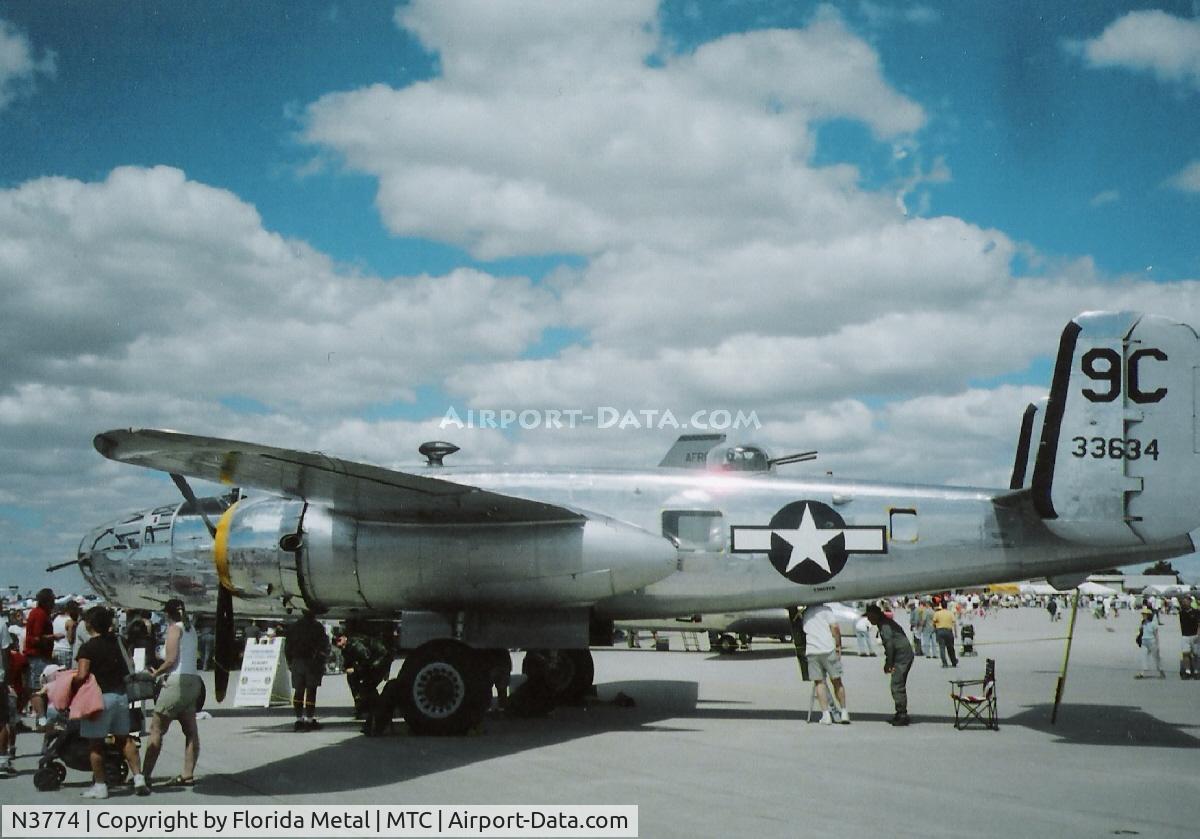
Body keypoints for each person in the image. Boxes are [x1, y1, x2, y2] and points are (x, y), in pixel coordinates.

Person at [73, 606, 148, 798]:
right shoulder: (118, 642)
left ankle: (100, 786)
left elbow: (82, 674)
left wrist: (70, 684)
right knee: (125, 739)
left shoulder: (88, 647)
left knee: (96, 744)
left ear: (89, 624)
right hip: (121, 696)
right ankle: (139, 778)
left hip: (99, 698)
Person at [142, 600, 202, 788]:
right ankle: (187, 774)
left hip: (177, 681)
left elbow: (171, 660)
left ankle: (145, 775)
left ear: (167, 614)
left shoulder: (174, 629)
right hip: (193, 680)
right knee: (191, 730)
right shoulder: (191, 629)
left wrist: (155, 673)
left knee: (156, 729)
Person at [864, 603, 914, 726]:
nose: (868, 620)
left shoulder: (884, 625)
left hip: (902, 656)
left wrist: (889, 663)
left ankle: (902, 714)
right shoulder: (885, 622)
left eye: (869, 617)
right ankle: (900, 712)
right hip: (903, 654)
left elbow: (890, 645)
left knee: (896, 685)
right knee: (898, 684)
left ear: (875, 615)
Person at [801, 603, 849, 725]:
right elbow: (835, 628)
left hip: (812, 650)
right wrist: (838, 645)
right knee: (837, 680)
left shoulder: (806, 613)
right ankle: (844, 712)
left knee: (819, 682)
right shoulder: (826, 610)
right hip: (827, 648)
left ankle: (826, 714)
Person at [284, 611, 330, 731]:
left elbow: (287, 646)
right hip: (312, 662)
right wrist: (322, 660)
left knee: (298, 691)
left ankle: (299, 720)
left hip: (297, 661)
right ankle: (310, 720)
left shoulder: (294, 626)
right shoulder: (318, 627)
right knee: (311, 691)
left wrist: (290, 662)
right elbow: (324, 645)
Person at [23, 589, 62, 729]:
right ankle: (41, 718)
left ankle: (41, 718)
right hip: (37, 656)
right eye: (52, 600)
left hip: (41, 655)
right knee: (37, 688)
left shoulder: (38, 613)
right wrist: (54, 637)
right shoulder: (40, 614)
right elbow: (36, 638)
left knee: (42, 687)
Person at [334, 630, 392, 722]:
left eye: (339, 640)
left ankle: (378, 709)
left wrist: (355, 670)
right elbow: (348, 663)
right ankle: (363, 707)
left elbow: (368, 661)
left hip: (380, 660)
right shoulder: (346, 648)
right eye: (336, 642)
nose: (338, 644)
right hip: (371, 662)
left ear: (345, 638)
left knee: (368, 685)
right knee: (353, 680)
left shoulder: (356, 646)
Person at [1135, 607, 1165, 679]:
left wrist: (1157, 644)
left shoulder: (1153, 624)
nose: (1143, 615)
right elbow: (1141, 632)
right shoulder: (1143, 623)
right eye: (1143, 614)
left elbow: (1156, 634)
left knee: (1156, 658)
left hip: (1152, 642)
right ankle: (1142, 673)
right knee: (1144, 657)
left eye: (1145, 614)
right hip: (1144, 642)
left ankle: (1161, 671)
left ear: (1149, 615)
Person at [0, 616, 13, 777]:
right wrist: (8, 676)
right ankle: (1, 760)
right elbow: (5, 652)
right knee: (1, 721)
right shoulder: (1, 623)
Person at [932, 600, 958, 668]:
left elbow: (934, 623)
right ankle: (953, 661)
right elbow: (954, 623)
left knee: (942, 648)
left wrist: (935, 630)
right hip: (948, 631)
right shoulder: (950, 613)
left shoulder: (937, 613)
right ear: (947, 606)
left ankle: (944, 663)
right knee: (950, 648)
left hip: (940, 631)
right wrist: (955, 633)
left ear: (941, 605)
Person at [1178, 597, 1199, 680]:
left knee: (1196, 654)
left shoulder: (1196, 612)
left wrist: (1198, 634)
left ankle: (1197, 670)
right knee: (1185, 653)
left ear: (1190, 602)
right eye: (1183, 602)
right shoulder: (1181, 612)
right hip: (1185, 636)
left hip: (1195, 635)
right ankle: (1187, 671)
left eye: (1186, 602)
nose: (1184, 603)